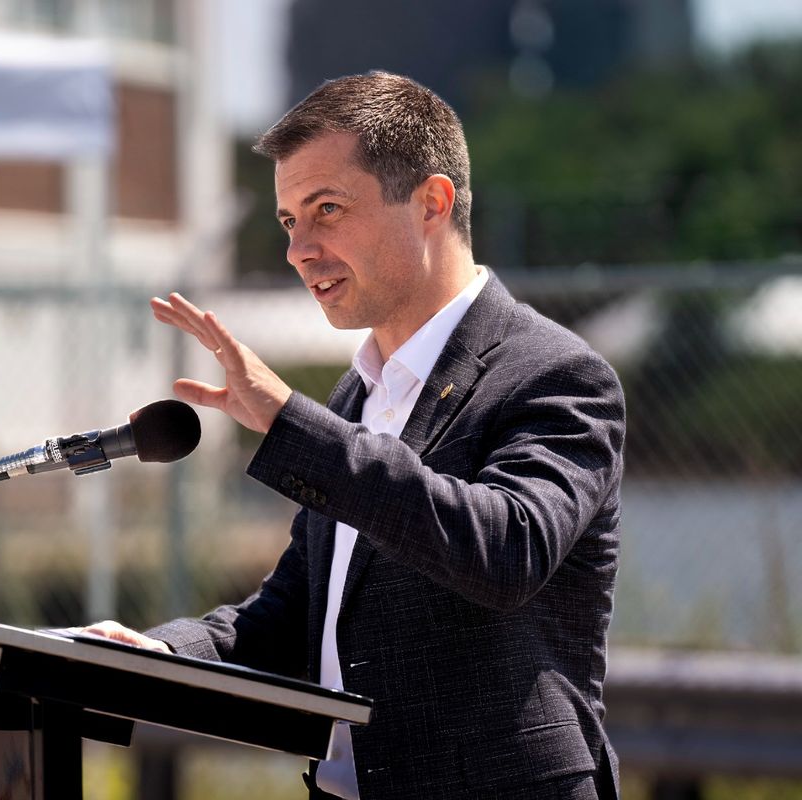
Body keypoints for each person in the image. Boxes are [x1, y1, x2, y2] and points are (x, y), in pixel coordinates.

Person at [84, 71, 625, 799]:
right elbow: (297, 610)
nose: (298, 250)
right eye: (287, 221)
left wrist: (291, 423)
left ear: (431, 203)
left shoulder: (555, 373)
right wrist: (159, 651)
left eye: (326, 210)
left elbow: (506, 552)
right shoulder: (356, 395)